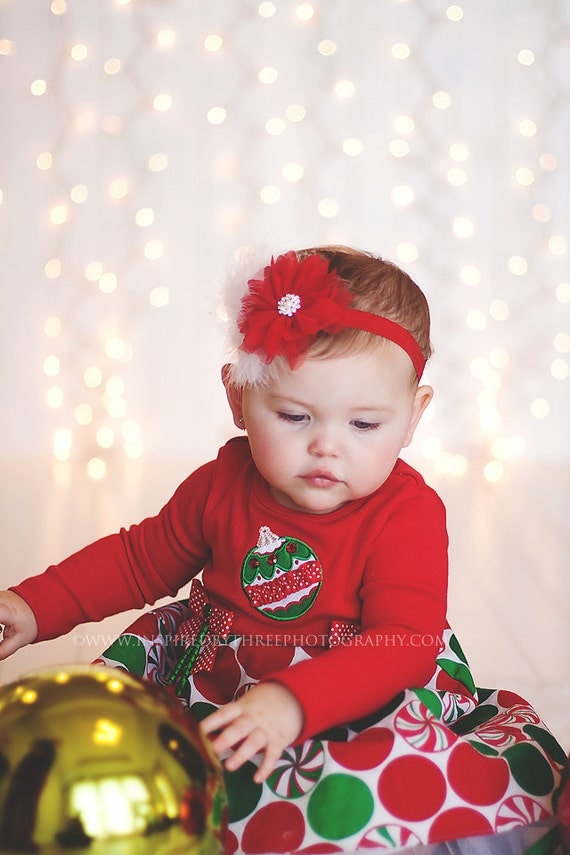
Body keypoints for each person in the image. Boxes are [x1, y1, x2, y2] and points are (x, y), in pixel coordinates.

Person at [0, 247, 564, 853]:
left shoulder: (406, 513)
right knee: (116, 745)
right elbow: (139, 560)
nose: (326, 446)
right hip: (214, 683)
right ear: (238, 397)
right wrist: (32, 607)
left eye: (364, 425)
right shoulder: (221, 484)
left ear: (413, 417)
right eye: (295, 416)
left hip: (356, 694)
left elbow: (403, 641)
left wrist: (297, 703)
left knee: (356, 785)